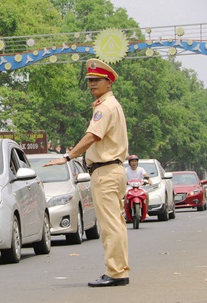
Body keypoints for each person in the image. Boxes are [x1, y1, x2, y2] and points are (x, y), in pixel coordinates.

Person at [44, 58, 130, 287]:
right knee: (116, 224)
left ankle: (116, 272)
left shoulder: (105, 107)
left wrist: (67, 156)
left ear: (109, 82)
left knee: (111, 225)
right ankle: (119, 269)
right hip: (112, 171)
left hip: (105, 172)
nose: (92, 84)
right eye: (90, 80)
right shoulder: (111, 105)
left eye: (97, 80)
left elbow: (92, 136)